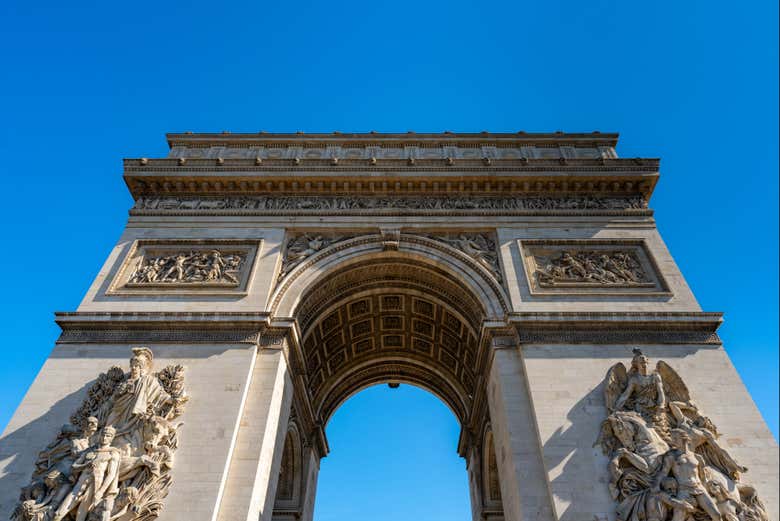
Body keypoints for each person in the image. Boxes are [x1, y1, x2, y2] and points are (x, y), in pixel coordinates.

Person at [52, 426, 121, 521]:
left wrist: (101, 491)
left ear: (112, 438)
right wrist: (85, 465)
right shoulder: (90, 450)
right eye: (103, 435)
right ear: (100, 435)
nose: (104, 438)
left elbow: (111, 475)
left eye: (108, 436)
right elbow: (74, 467)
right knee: (59, 513)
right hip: (80, 484)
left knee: (81, 515)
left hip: (94, 486)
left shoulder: (113, 453)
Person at [653, 429, 722, 521]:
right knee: (678, 518)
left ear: (684, 439)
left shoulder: (697, 457)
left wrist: (709, 492)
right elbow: (663, 473)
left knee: (717, 515)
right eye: (672, 438)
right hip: (684, 490)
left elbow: (702, 477)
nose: (673, 441)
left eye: (675, 438)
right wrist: (656, 485)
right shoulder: (671, 456)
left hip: (699, 488)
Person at [615, 349, 666, 421]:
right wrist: (616, 408)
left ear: (648, 362)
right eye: (641, 363)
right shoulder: (634, 379)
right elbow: (625, 395)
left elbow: (661, 393)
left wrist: (661, 405)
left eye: (645, 362)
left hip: (654, 408)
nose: (644, 365)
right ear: (637, 364)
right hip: (639, 409)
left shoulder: (655, 376)